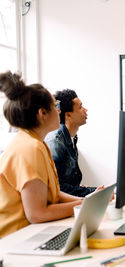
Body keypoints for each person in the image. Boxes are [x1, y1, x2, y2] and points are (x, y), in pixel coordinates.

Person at [0, 71, 82, 238]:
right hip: (15, 238)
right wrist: (80, 207)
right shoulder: (30, 148)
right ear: (42, 113)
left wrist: (84, 203)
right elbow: (37, 214)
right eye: (54, 107)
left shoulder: (36, 143)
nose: (58, 112)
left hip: (31, 232)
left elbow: (54, 194)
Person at [45, 89, 100, 197]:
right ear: (68, 115)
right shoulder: (56, 141)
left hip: (70, 200)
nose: (85, 110)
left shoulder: (72, 138)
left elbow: (69, 185)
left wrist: (92, 191)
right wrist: (91, 192)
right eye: (80, 107)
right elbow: (57, 188)